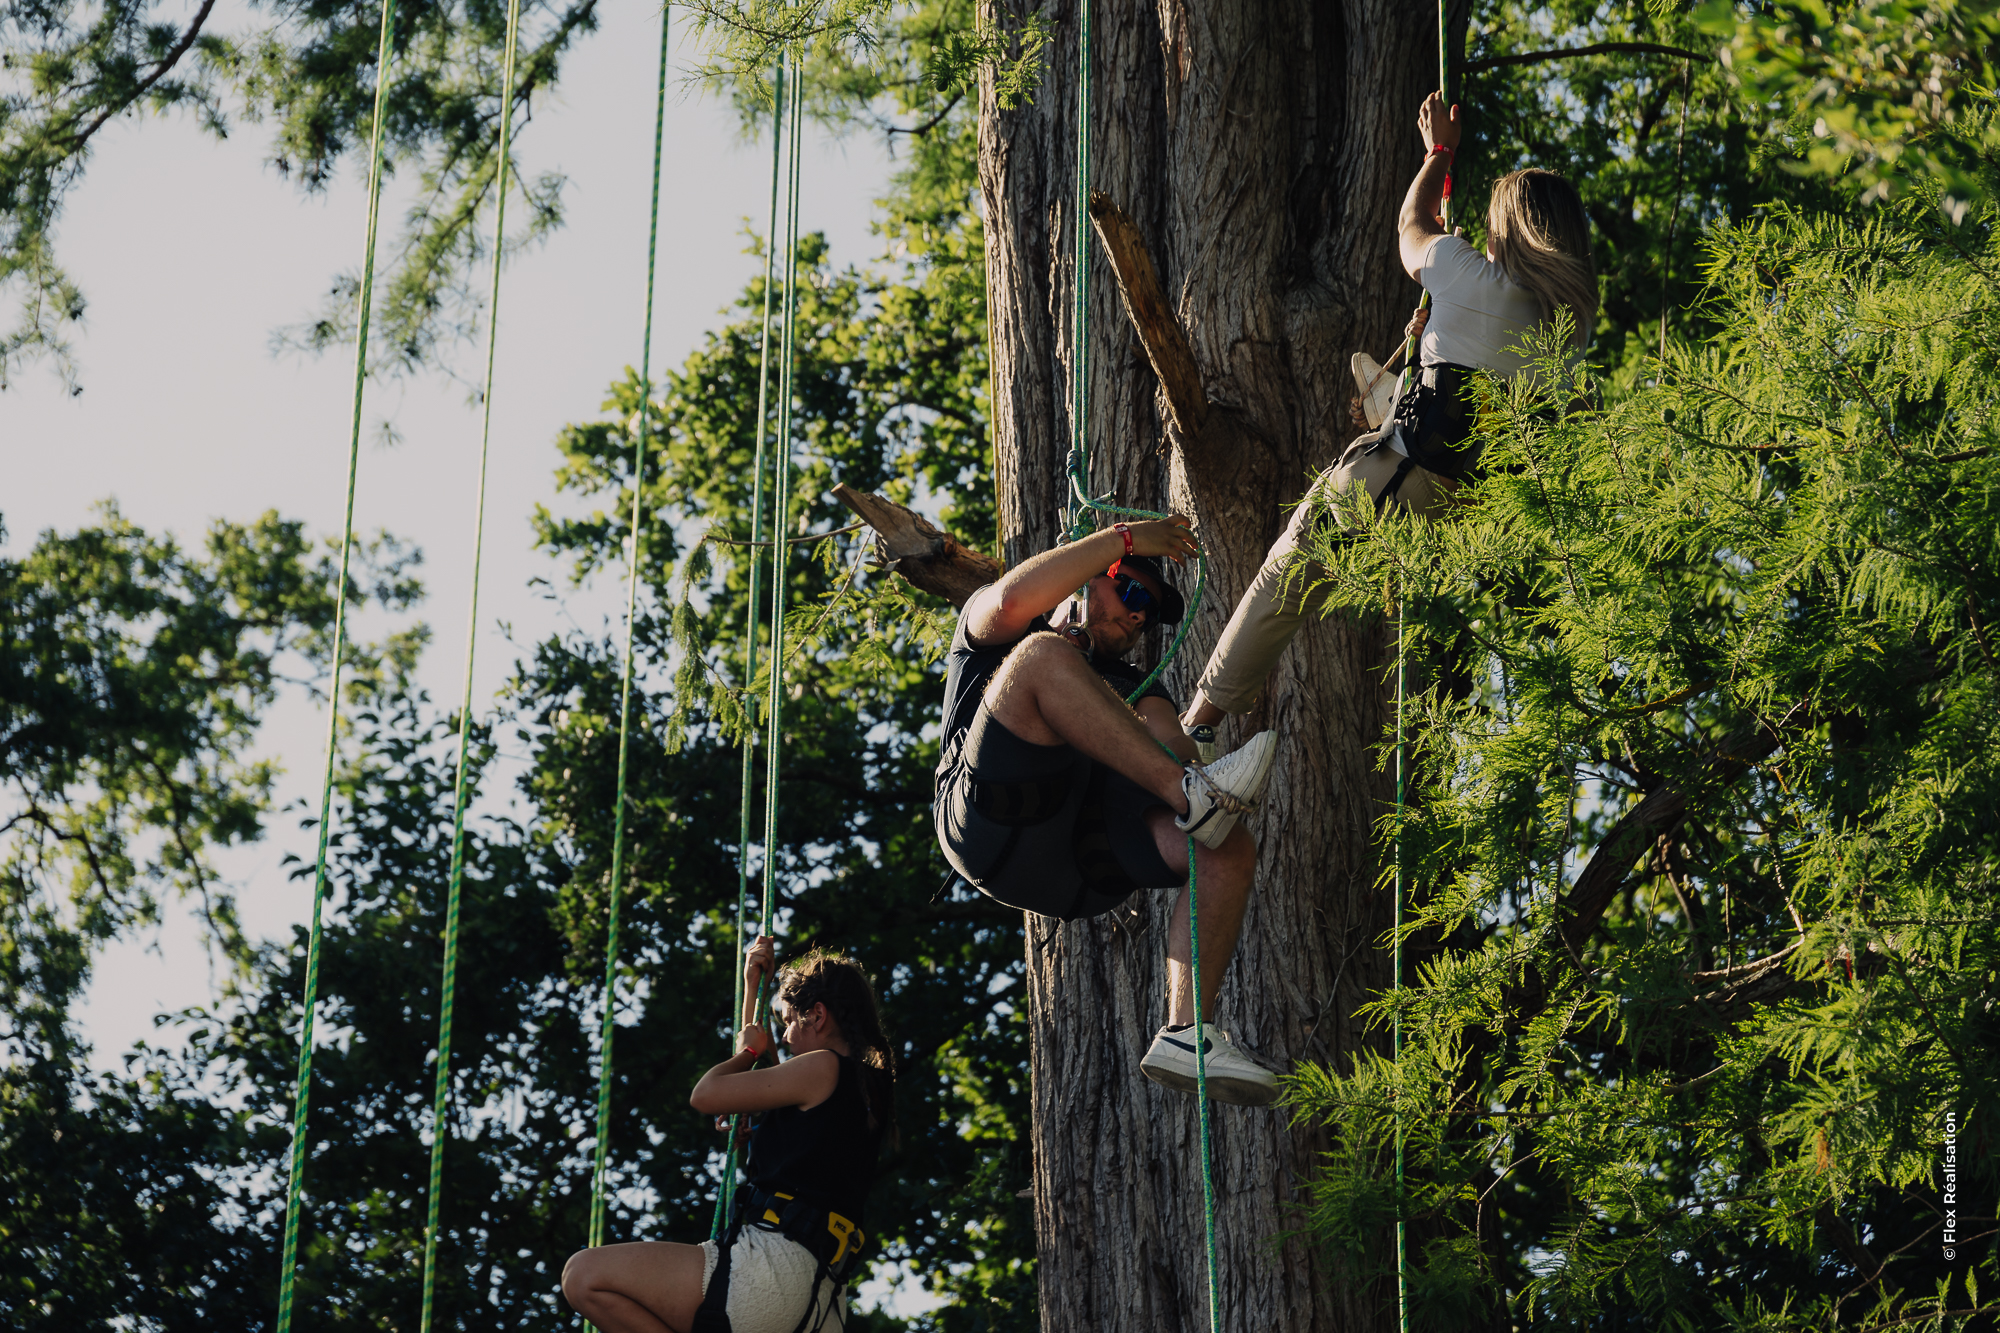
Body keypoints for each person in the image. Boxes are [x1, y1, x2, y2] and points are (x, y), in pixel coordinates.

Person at [1182, 92, 1596, 729]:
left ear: (1507, 231)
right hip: (1457, 524)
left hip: (1390, 483)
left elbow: (1411, 225)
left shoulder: (1465, 274)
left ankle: (1197, 728)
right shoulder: (1567, 340)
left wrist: (1439, 153)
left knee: (1283, 580)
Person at [933, 513, 1282, 1105]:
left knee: (1223, 844)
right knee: (1042, 657)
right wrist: (1126, 539)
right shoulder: (997, 635)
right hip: (988, 819)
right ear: (1087, 579)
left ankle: (1186, 1032)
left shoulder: (1134, 684)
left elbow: (1170, 741)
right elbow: (1013, 599)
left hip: (1079, 864)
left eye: (1149, 613)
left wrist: (1185, 763)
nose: (1139, 616)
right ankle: (1190, 795)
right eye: (1131, 594)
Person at [563, 936, 894, 1333]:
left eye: (790, 1022)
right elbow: (774, 1089)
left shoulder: (823, 1066)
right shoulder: (865, 1088)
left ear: (818, 1015)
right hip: (820, 1299)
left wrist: (746, 1054)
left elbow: (706, 1094)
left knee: (583, 1276)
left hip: (775, 1272)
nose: (785, 1037)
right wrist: (753, 988)